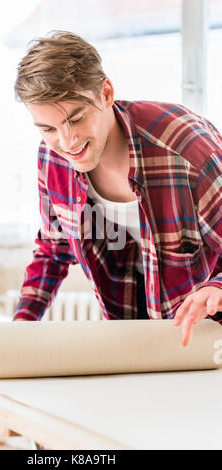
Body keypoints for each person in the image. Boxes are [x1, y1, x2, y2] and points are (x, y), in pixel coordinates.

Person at [12, 31, 222, 347]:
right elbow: (53, 250)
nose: (67, 142)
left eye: (76, 118)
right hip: (132, 340)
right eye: (48, 128)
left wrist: (218, 287)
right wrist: (16, 333)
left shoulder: (186, 147)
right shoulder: (52, 159)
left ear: (106, 93)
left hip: (209, 339)